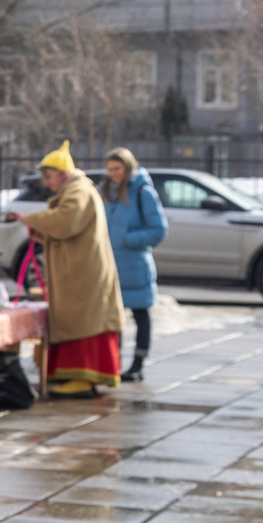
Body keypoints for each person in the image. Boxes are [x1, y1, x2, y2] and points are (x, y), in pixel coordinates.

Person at [18, 142, 126, 397]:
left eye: (48, 176)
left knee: (83, 322)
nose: (47, 183)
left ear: (62, 174)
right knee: (77, 321)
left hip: (83, 276)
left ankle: (83, 376)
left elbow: (66, 222)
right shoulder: (77, 190)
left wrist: (32, 219)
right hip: (80, 272)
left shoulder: (78, 191)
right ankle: (71, 373)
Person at [103, 147, 167, 382]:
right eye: (110, 169)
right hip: (111, 266)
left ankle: (138, 364)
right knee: (113, 317)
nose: (113, 174)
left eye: (117, 169)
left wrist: (128, 240)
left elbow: (158, 230)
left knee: (140, 314)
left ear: (128, 167)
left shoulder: (142, 192)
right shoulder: (107, 191)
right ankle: (113, 362)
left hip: (135, 264)